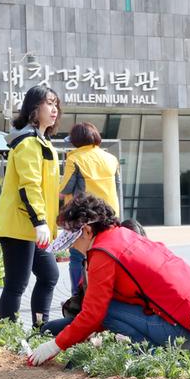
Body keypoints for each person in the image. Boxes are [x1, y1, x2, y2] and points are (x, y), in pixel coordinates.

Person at [27, 195, 190, 365]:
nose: (72, 248)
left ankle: (155, 354)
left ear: (87, 231)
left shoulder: (103, 252)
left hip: (186, 327)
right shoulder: (123, 234)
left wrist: (55, 345)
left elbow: (94, 313)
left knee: (105, 310)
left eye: (73, 241)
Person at [0, 85, 62, 327]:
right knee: (16, 284)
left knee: (49, 275)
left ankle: (40, 328)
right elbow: (28, 186)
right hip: (19, 224)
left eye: (56, 104)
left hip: (32, 226)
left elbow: (47, 190)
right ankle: (7, 334)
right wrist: (40, 221)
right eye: (48, 103)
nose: (54, 109)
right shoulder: (28, 142)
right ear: (34, 108)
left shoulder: (43, 142)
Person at [59, 121, 121, 291]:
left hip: (84, 215)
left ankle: (77, 295)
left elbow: (65, 188)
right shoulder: (111, 158)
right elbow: (118, 188)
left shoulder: (74, 158)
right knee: (106, 255)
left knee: (77, 256)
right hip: (109, 214)